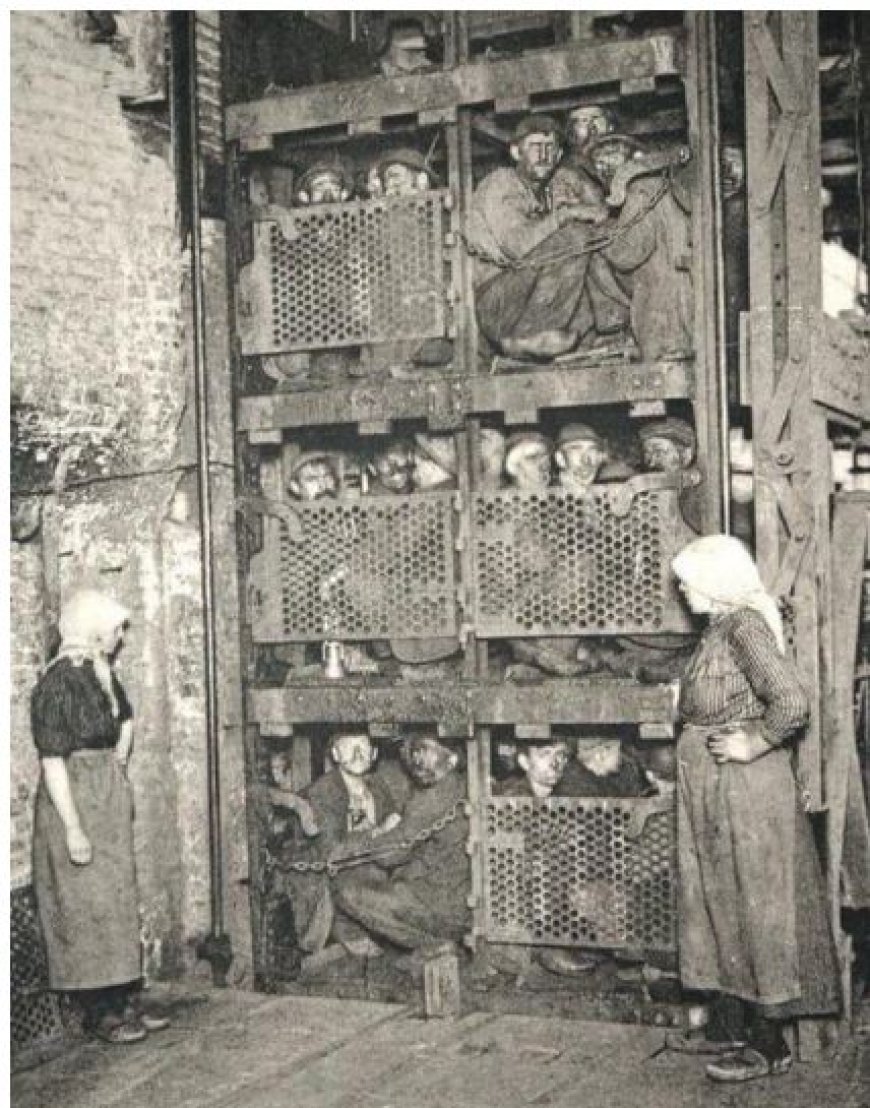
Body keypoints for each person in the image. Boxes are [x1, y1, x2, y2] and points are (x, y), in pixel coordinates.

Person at [670, 534, 839, 1083]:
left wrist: (754, 742)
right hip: (717, 787)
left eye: (688, 580)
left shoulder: (743, 625)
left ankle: (768, 1046)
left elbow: (791, 702)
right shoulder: (719, 629)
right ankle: (731, 1025)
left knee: (751, 905)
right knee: (719, 901)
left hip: (744, 788)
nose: (681, 589)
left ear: (715, 581)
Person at [30, 589, 170, 1044]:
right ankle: (99, 1013)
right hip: (74, 797)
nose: (120, 637)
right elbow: (52, 760)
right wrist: (72, 827)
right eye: (114, 630)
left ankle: (126, 999)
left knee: (116, 900)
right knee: (86, 907)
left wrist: (117, 765)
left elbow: (124, 720)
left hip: (105, 794)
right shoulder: (57, 684)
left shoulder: (100, 674)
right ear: (91, 631)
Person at [465, 114, 627, 361]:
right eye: (534, 147)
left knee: (589, 241)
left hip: (521, 297)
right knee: (574, 237)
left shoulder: (542, 193)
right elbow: (517, 247)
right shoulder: (501, 183)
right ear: (516, 153)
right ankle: (529, 334)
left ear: (559, 155)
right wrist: (564, 215)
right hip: (494, 303)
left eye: (550, 148)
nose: (543, 155)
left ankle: (607, 332)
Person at [277, 730, 403, 973]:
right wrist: (379, 832)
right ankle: (347, 929)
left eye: (363, 746)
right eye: (348, 746)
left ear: (374, 754)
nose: (357, 753)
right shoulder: (324, 792)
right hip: (329, 879)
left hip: (368, 868)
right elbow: (331, 852)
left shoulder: (378, 786)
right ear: (335, 754)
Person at [333, 735, 470, 956]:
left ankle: (432, 945)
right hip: (461, 900)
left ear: (452, 759)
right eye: (415, 749)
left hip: (445, 911)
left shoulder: (434, 795)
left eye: (427, 750)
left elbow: (391, 854)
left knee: (346, 892)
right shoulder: (461, 783)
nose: (416, 757)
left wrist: (357, 842)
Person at [589, 132, 694, 362]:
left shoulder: (640, 190)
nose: (604, 166)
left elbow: (629, 252)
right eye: (598, 160)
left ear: (634, 157)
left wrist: (599, 234)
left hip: (662, 310)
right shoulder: (664, 185)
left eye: (612, 156)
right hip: (682, 301)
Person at [638, 416, 704, 534]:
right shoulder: (648, 499)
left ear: (686, 455)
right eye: (647, 454)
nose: (651, 463)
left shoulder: (701, 500)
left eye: (659, 452)